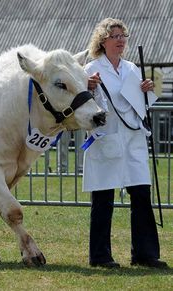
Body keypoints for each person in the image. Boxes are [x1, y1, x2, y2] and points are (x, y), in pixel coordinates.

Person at [83, 18, 168, 269]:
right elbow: (79, 100)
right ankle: (100, 256)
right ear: (103, 40)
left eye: (123, 36)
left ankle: (145, 254)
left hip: (133, 138)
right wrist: (87, 87)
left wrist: (149, 88)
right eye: (115, 36)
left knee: (141, 194)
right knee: (103, 197)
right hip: (106, 137)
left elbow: (146, 98)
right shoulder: (90, 68)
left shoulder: (133, 68)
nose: (121, 40)